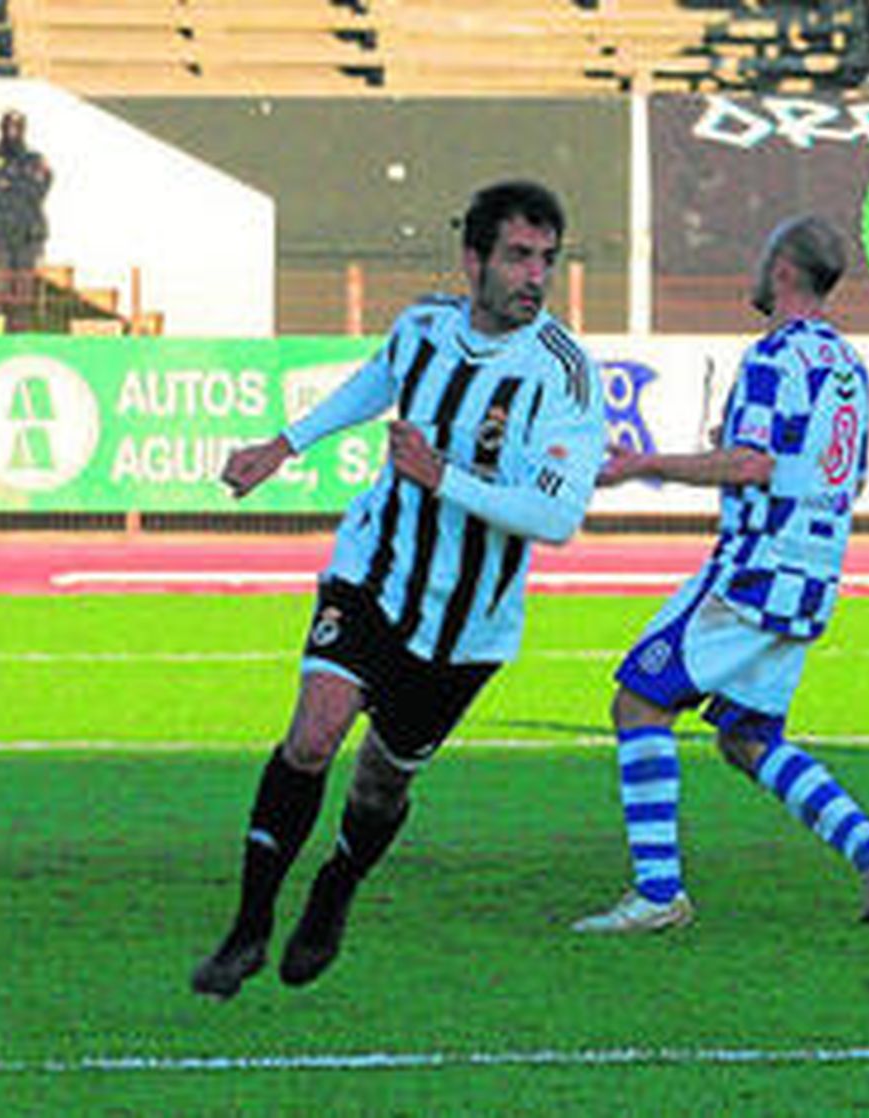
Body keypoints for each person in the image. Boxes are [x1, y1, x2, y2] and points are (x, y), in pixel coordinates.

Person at [191, 181, 606, 999]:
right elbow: (378, 379)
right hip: (373, 573)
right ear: (473, 260)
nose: (535, 276)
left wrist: (442, 475)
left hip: (468, 624)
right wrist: (286, 443)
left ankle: (336, 888)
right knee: (312, 737)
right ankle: (247, 927)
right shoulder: (422, 326)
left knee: (383, 782)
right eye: (519, 257)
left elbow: (554, 518)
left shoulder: (564, 374)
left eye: (547, 261)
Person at [573, 216, 869, 935]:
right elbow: (841, 479)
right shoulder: (849, 367)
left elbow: (753, 464)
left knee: (638, 702)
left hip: (754, 570)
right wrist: (739, 460)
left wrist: (644, 463)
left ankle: (659, 894)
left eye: (764, 259)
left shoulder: (773, 357)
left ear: (784, 270)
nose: (756, 273)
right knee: (748, 738)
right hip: (816, 577)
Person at [0, 110, 52, 334]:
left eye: (17, 127)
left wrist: (11, 182)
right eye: (9, 127)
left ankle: (17, 344)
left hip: (26, 237)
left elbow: (39, 190)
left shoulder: (34, 159)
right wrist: (22, 182)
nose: (13, 132)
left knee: (21, 299)